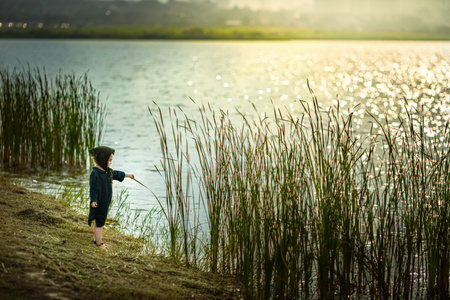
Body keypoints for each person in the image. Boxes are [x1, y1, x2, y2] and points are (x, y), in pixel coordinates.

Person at [88, 146, 134, 249]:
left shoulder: (107, 172)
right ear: (103, 160)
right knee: (99, 222)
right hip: (98, 202)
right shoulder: (95, 174)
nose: (110, 163)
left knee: (101, 220)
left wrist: (129, 175)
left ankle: (97, 240)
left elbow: (117, 174)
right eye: (109, 161)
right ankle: (99, 244)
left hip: (105, 202)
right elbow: (93, 189)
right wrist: (94, 200)